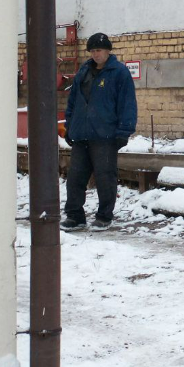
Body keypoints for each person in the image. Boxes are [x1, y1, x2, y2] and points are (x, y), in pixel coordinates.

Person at [60, 33, 137, 231]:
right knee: (75, 178)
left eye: (99, 50)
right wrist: (70, 126)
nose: (95, 54)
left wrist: (124, 131)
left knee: (105, 177)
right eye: (92, 51)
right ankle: (75, 216)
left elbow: (127, 103)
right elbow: (73, 102)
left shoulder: (119, 72)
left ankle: (104, 215)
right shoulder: (84, 72)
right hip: (81, 135)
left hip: (106, 136)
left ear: (108, 51)